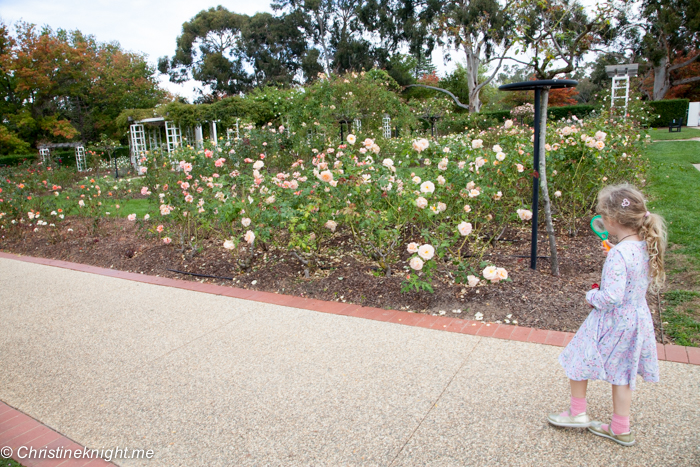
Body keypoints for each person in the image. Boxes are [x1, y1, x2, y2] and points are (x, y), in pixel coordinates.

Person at [547, 183, 667, 446]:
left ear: (610, 220)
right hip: (636, 319)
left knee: (577, 357)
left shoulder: (619, 255)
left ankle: (577, 413)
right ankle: (620, 428)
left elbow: (612, 297)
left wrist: (591, 296)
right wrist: (615, 252)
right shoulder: (645, 245)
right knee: (623, 374)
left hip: (612, 321)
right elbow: (631, 275)